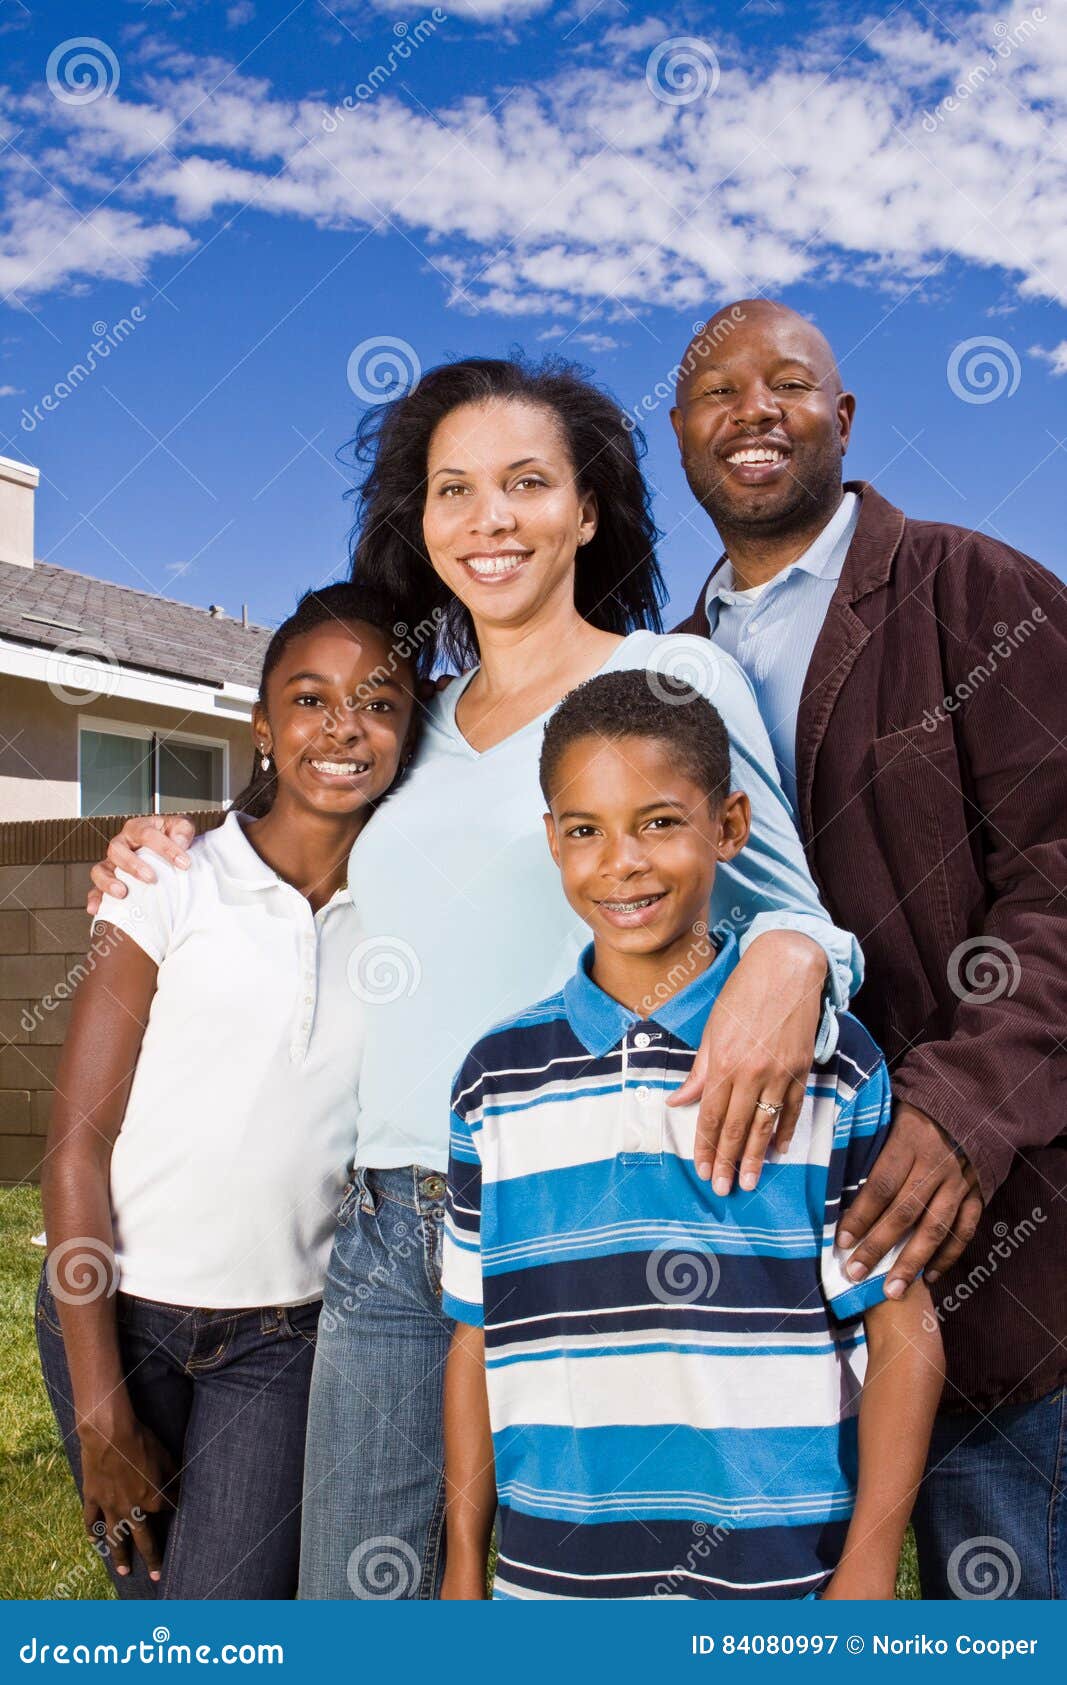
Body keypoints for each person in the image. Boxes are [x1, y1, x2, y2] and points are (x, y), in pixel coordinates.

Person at [83, 357, 861, 1599]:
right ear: (422, 520)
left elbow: (804, 924)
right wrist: (162, 837)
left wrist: (785, 952)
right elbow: (294, 831)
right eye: (454, 489)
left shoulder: (670, 679)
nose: (488, 517)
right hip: (389, 1227)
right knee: (360, 1599)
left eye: (525, 482)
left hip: (598, 1194)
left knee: (600, 1590)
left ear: (588, 510)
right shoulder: (416, 720)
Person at [669, 298, 1067, 1599]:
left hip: (987, 1264)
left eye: (786, 383)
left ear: (839, 419)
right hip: (752, 1292)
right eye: (716, 391)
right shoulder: (656, 681)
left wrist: (962, 1106)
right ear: (679, 435)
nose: (751, 409)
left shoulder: (979, 595)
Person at [440, 672, 943, 1600]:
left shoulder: (827, 1066)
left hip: (777, 1587)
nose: (620, 862)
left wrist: (871, 1567)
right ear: (552, 841)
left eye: (659, 821)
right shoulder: (493, 1081)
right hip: (549, 1586)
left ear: (730, 826)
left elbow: (901, 1322)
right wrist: (463, 1563)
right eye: (584, 830)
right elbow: (476, 1338)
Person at [37, 584, 419, 1599]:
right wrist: (100, 1408)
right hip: (117, 1320)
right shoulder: (168, 879)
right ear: (260, 722)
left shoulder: (409, 914)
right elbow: (75, 1144)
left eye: (378, 704)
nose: (343, 728)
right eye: (308, 699)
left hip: (283, 1341)